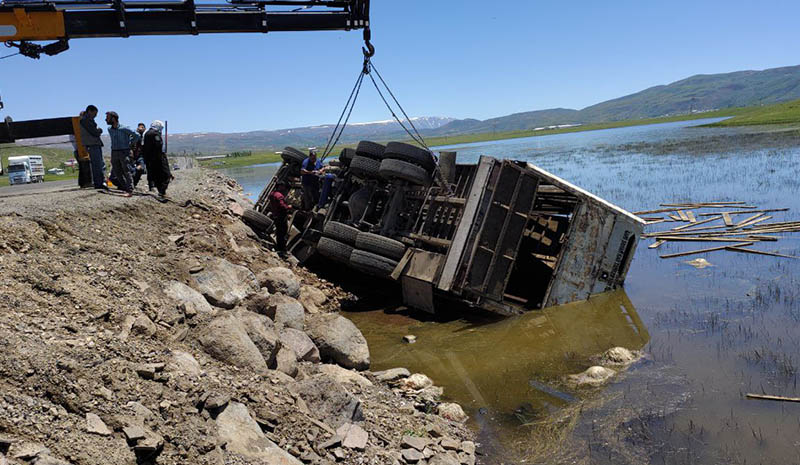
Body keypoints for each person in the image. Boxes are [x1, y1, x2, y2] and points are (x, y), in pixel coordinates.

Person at [105, 111, 140, 196]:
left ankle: (130, 190)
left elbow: (137, 135)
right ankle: (125, 187)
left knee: (126, 170)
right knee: (117, 171)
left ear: (113, 118)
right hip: (114, 152)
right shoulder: (109, 129)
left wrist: (131, 143)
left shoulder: (124, 128)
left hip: (124, 151)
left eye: (108, 117)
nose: (106, 119)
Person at [142, 120, 172, 197]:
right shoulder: (155, 134)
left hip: (149, 159)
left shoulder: (146, 134)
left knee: (156, 176)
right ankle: (162, 191)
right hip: (158, 158)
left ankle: (160, 191)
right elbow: (158, 146)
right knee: (166, 175)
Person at [79, 105, 106, 190]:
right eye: (95, 113)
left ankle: (99, 182)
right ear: (90, 111)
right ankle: (98, 183)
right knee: (97, 165)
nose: (95, 116)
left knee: (98, 164)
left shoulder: (86, 120)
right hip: (92, 144)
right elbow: (94, 132)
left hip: (93, 144)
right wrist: (99, 130)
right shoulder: (85, 120)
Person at [268, 180, 292, 254]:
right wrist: (288, 207)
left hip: (275, 215)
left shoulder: (272, 194)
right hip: (281, 215)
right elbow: (282, 206)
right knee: (283, 231)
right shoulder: (279, 195)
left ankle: (279, 246)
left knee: (279, 232)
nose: (284, 188)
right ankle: (283, 248)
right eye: (283, 186)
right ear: (280, 186)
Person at [131, 123, 147, 189]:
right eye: (139, 127)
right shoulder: (134, 135)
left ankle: (134, 184)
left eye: (142, 127)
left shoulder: (146, 136)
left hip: (140, 156)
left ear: (144, 129)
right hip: (132, 155)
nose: (140, 128)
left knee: (141, 168)